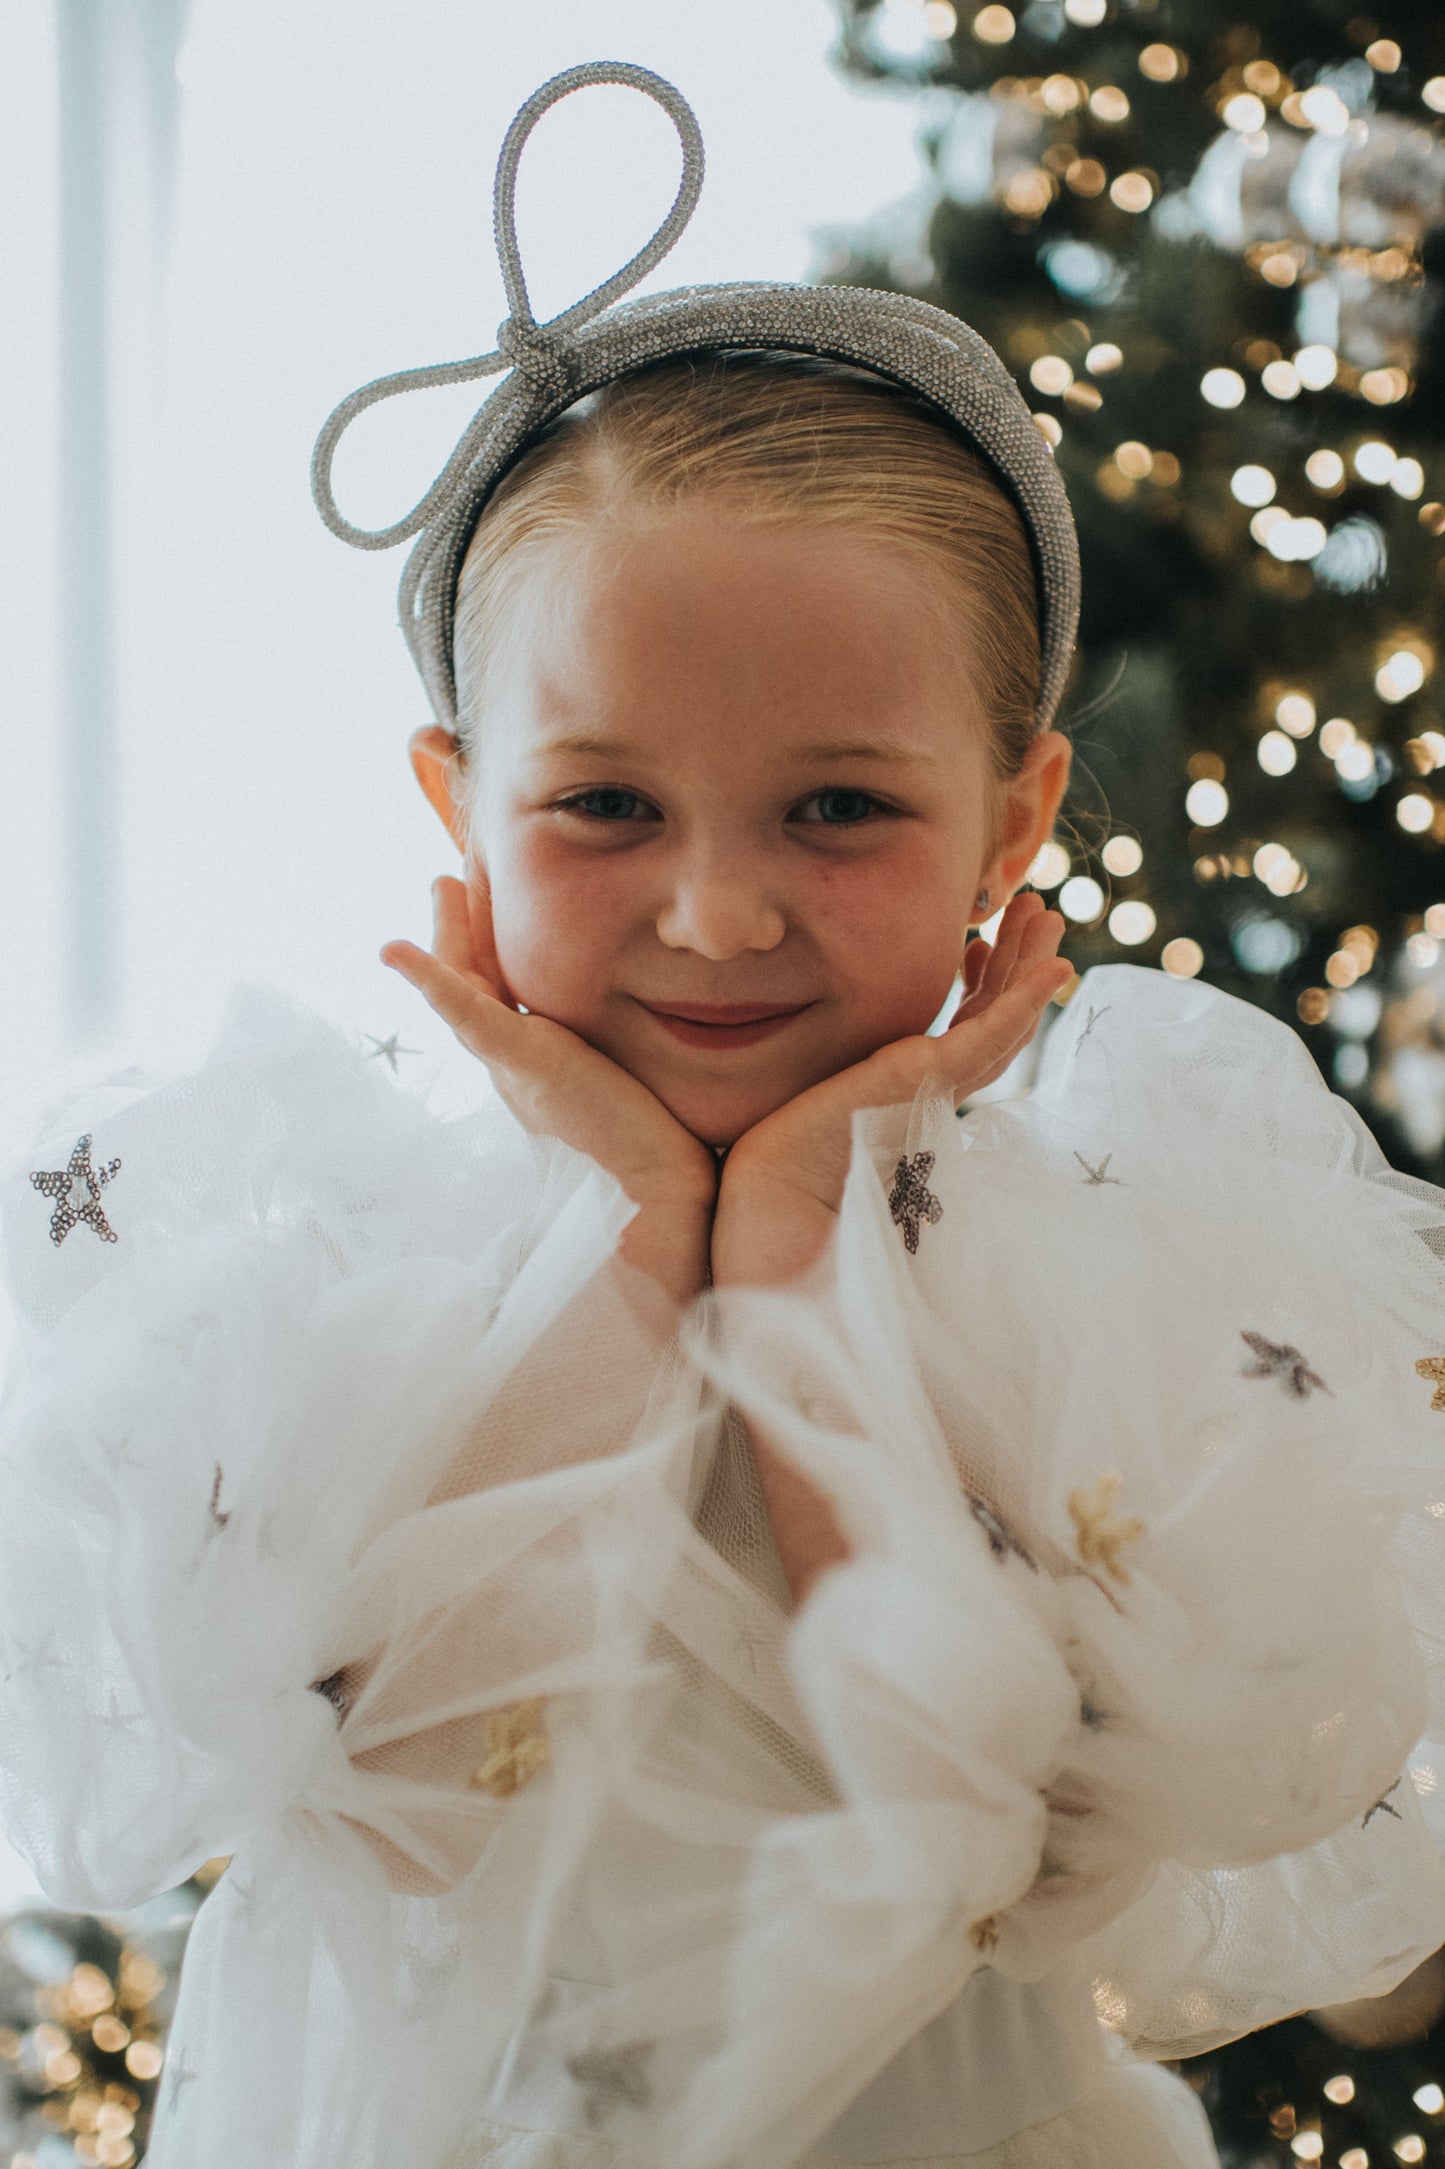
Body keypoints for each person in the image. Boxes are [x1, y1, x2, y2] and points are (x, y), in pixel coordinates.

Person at [4, 61, 1445, 2169]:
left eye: (841, 805)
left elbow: (992, 1836)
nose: (714, 908)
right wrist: (629, 1235)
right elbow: (402, 1784)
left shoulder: (1107, 1284)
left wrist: (792, 1257)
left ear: (1012, 823)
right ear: (459, 814)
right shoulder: (356, 1285)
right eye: (604, 805)